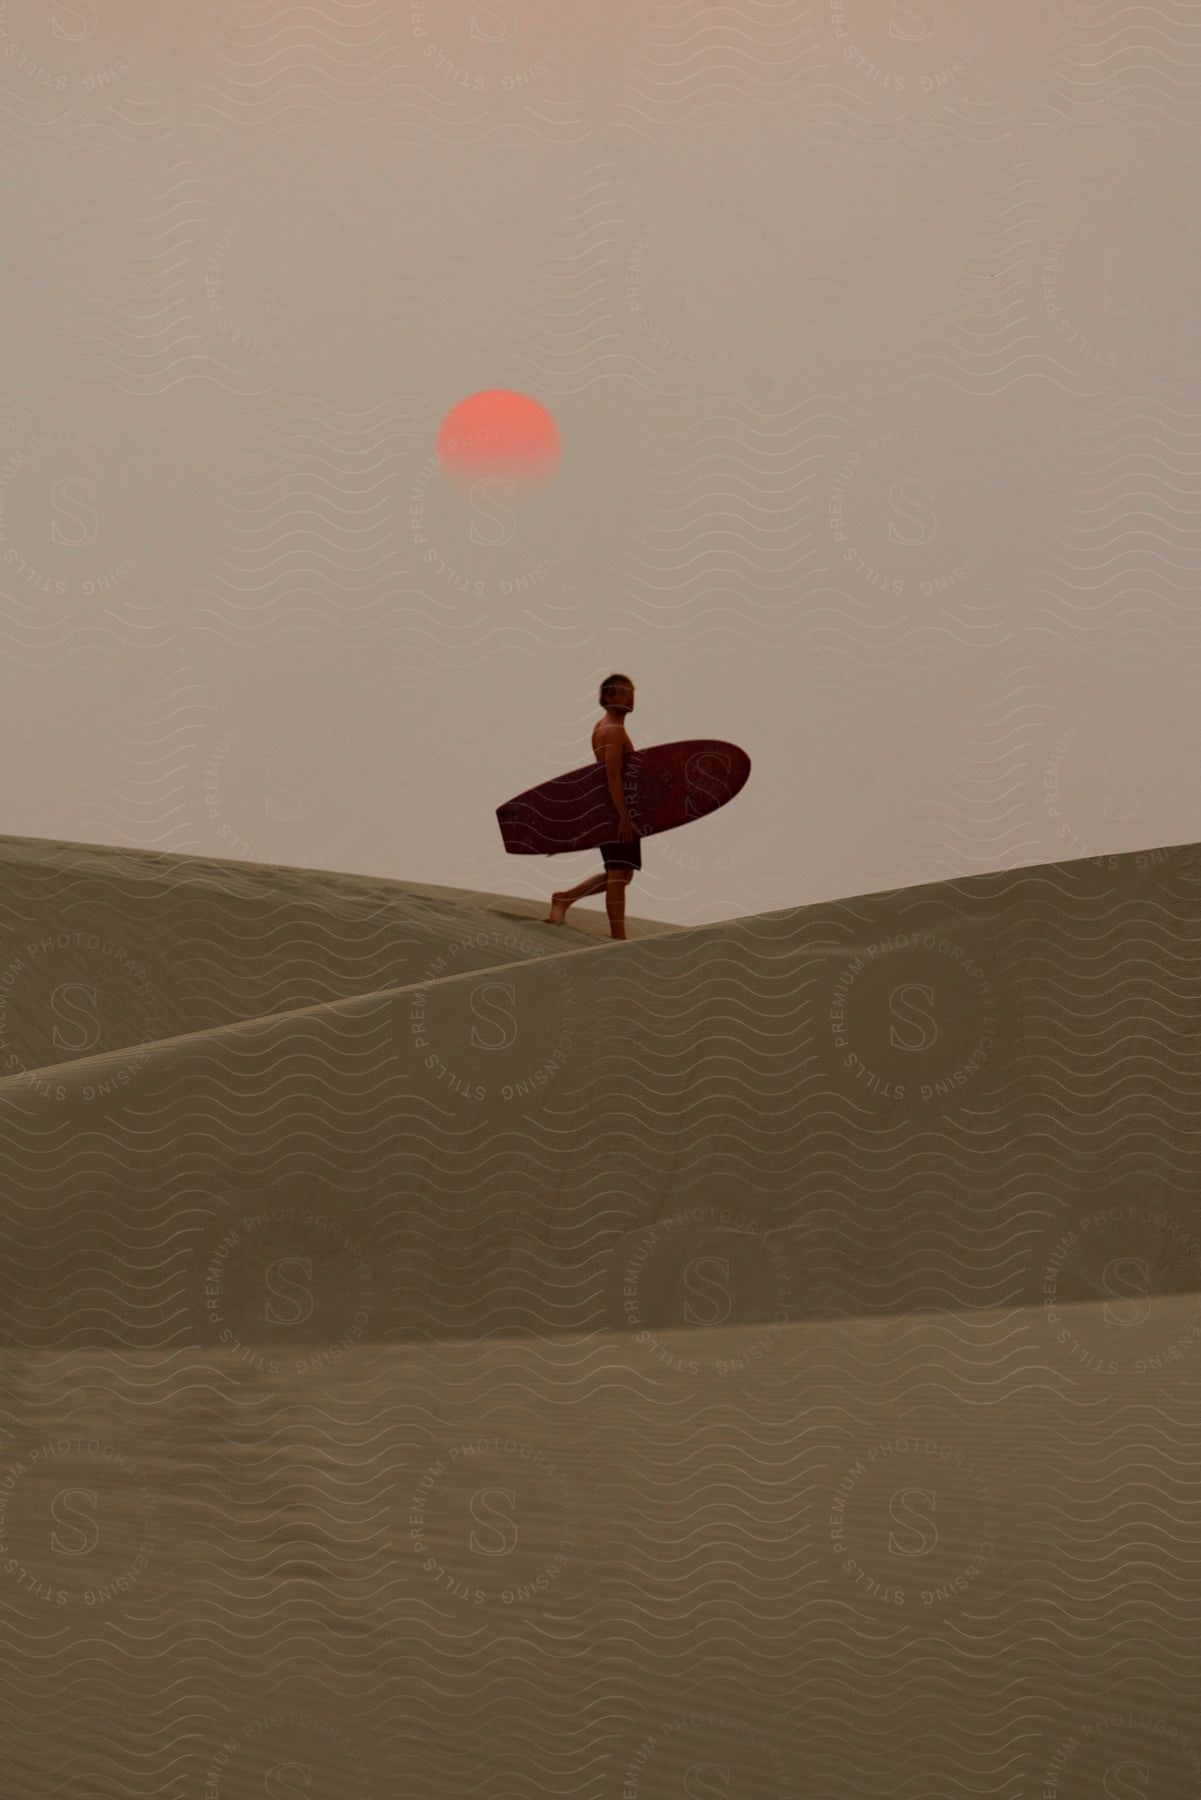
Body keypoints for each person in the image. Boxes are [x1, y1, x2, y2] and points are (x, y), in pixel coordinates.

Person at [545, 673, 639, 939]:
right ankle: (618, 936)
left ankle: (565, 898)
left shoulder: (605, 726)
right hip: (615, 809)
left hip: (612, 808)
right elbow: (611, 775)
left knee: (621, 874)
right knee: (619, 875)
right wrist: (623, 816)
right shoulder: (612, 730)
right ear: (608, 697)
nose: (629, 697)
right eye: (622, 692)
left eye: (632, 692)